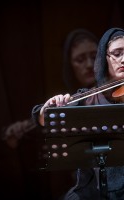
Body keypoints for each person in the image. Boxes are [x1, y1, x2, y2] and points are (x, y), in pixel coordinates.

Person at [32, 27, 124, 200]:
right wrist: (50, 106)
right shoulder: (89, 97)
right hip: (95, 187)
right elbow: (43, 117)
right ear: (104, 59)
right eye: (117, 53)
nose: (123, 59)